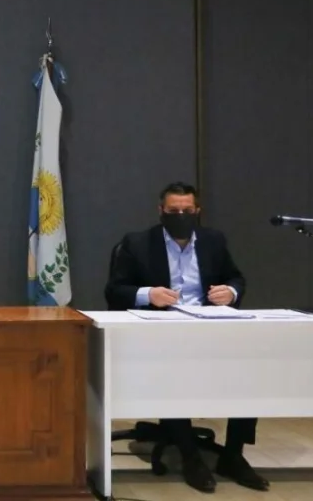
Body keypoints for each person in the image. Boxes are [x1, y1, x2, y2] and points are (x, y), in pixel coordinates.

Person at [104, 181, 267, 494]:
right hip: (160, 333)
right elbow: (114, 290)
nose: (180, 215)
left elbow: (236, 277)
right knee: (173, 372)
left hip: (210, 328)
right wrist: (148, 294)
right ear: (161, 211)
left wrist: (230, 292)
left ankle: (233, 456)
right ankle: (190, 457)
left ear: (197, 211)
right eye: (173, 210)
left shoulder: (213, 241)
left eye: (187, 210)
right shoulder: (138, 243)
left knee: (248, 372)